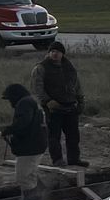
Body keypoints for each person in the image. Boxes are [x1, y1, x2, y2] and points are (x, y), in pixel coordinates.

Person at [30, 40, 87, 168]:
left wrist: (81, 101)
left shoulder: (69, 68)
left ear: (63, 54)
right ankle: (57, 160)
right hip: (53, 108)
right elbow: (37, 88)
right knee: (54, 137)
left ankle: (74, 159)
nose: (55, 54)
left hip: (70, 106)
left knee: (73, 136)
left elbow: (77, 86)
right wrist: (47, 101)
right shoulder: (41, 68)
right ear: (49, 53)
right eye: (52, 51)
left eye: (58, 52)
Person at [0, 82, 49, 200]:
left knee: (25, 178)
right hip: (37, 145)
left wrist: (8, 130)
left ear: (15, 96)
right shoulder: (31, 101)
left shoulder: (24, 104)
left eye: (9, 99)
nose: (10, 102)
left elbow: (23, 123)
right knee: (31, 176)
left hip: (29, 147)